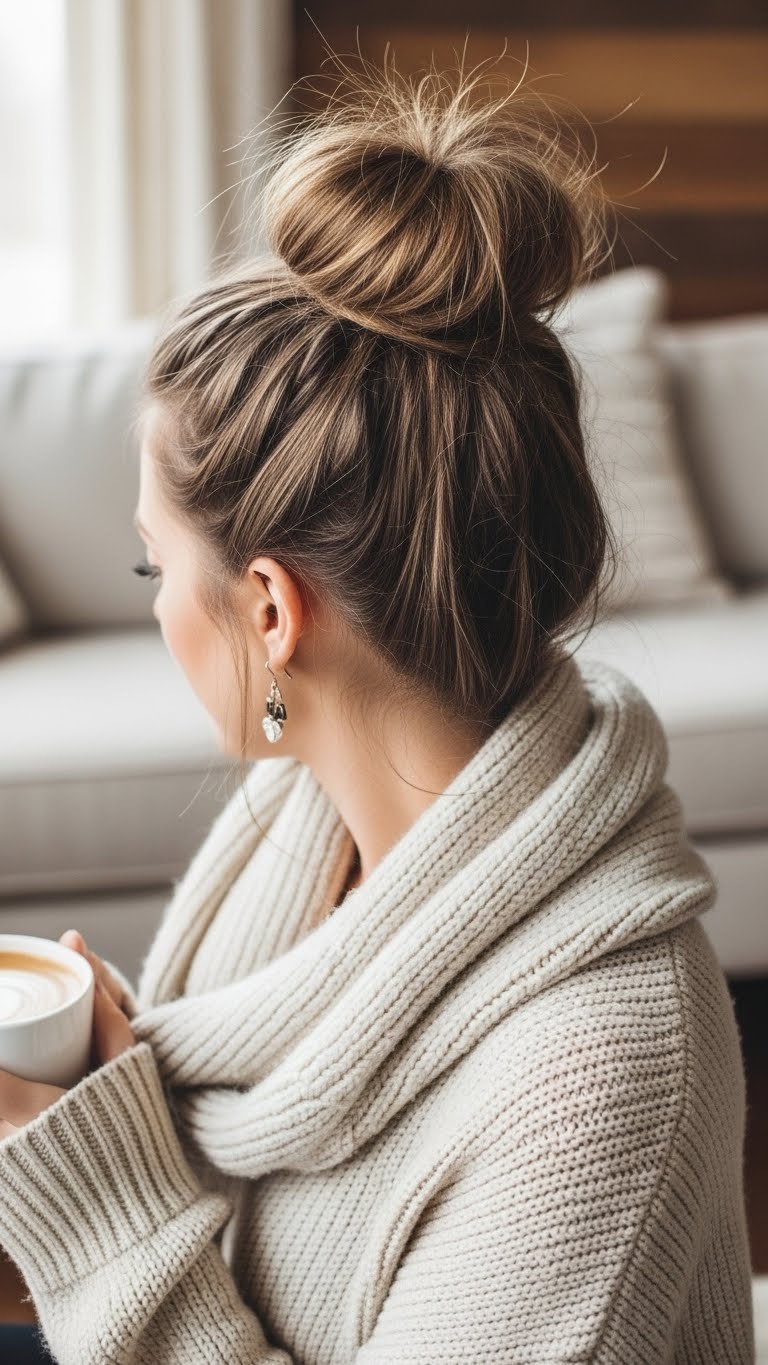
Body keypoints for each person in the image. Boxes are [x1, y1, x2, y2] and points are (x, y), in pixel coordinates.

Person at [0, 50, 755, 1364]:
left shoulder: (592, 1085)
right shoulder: (309, 820)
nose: (154, 606)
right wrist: (81, 1141)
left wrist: (105, 1225)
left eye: (151, 565)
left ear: (273, 611)